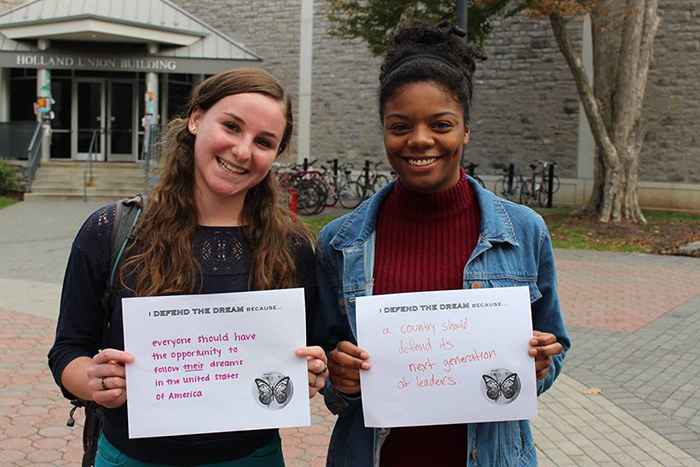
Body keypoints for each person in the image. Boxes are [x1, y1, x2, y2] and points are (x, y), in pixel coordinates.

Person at [312, 21, 570, 466]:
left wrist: (541, 364)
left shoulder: (525, 230)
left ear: (466, 130)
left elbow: (554, 346)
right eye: (400, 126)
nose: (419, 140)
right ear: (384, 130)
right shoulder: (339, 242)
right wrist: (339, 376)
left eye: (441, 124)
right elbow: (327, 369)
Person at [48, 68, 328, 467]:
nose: (243, 151)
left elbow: (314, 354)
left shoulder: (293, 247)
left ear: (276, 154)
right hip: (130, 457)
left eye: (264, 142)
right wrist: (92, 382)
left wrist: (315, 371)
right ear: (196, 119)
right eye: (231, 126)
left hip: (252, 458)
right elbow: (68, 350)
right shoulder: (113, 231)